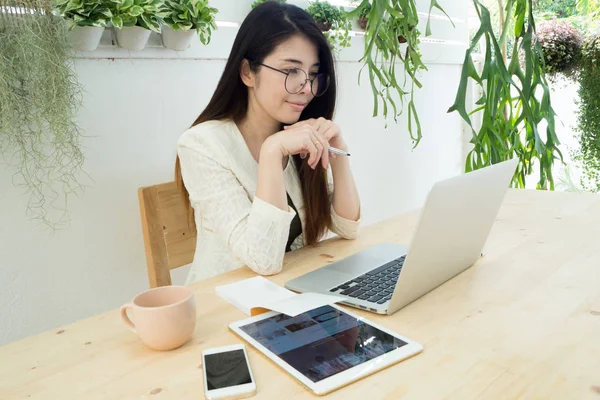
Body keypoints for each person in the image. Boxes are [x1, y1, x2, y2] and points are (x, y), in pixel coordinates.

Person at [176, 2, 361, 284]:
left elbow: (347, 226)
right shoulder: (202, 145)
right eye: (291, 71)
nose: (306, 88)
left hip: (292, 293)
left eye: (313, 75)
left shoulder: (300, 135)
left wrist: (338, 149)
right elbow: (263, 261)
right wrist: (272, 151)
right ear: (248, 72)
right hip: (225, 306)